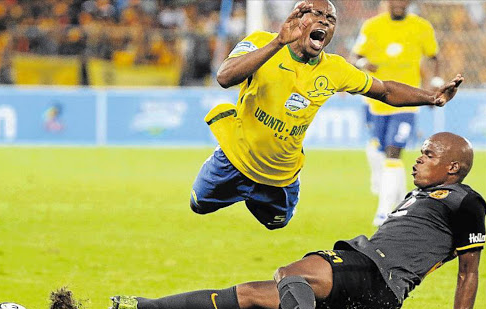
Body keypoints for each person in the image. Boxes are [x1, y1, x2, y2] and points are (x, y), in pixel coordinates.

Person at [111, 132, 486, 309]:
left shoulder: (465, 200)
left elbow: (469, 272)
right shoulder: (420, 196)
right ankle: (144, 307)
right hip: (363, 306)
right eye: (420, 153)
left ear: (453, 167)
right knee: (250, 294)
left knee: (291, 273)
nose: (418, 160)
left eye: (428, 155)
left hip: (377, 276)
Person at [189, 0, 463, 230]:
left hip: (280, 173)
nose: (325, 21)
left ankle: (254, 196)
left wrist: (431, 96)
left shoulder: (335, 69)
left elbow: (386, 90)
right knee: (198, 206)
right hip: (234, 157)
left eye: (330, 18)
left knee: (277, 223)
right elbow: (224, 77)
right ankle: (239, 188)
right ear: (297, 18)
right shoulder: (262, 41)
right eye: (317, 14)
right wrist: (278, 42)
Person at [350, 0, 444, 226]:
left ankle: (383, 212)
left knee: (393, 152)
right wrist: (364, 63)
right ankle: (401, 198)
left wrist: (434, 83)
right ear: (387, 3)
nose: (399, 4)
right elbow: (355, 57)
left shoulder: (421, 27)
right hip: (377, 102)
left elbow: (434, 57)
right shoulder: (372, 26)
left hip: (407, 104)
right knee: (380, 152)